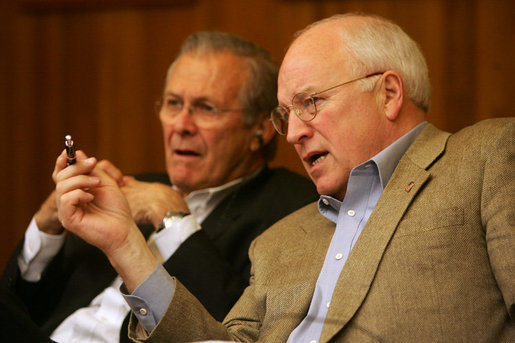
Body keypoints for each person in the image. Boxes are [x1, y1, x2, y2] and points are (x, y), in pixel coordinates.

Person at [52, 13, 513, 343]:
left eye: (310, 103)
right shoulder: (279, 241)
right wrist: (122, 244)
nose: (292, 133)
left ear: (388, 93)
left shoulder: (486, 157)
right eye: (285, 115)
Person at [0, 31, 318, 342]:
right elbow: (25, 311)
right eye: (173, 103)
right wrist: (48, 224)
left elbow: (238, 331)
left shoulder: (295, 212)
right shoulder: (131, 189)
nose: (181, 125)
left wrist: (173, 220)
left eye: (206, 108)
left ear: (260, 129)